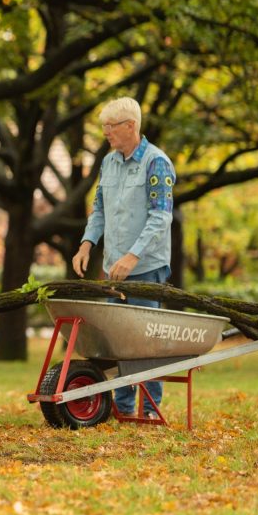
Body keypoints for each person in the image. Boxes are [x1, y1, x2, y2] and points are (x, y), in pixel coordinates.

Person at [72, 97, 176, 419]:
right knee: (116, 341)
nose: (106, 132)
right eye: (104, 126)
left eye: (111, 126)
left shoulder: (157, 163)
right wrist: (86, 244)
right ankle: (123, 407)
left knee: (144, 343)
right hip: (112, 269)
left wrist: (132, 257)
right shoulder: (108, 162)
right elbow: (100, 209)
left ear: (131, 126)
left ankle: (148, 411)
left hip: (145, 268)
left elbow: (161, 218)